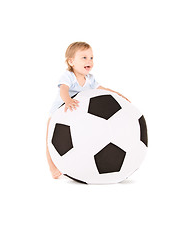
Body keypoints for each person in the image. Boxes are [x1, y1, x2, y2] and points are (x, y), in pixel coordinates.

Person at [46, 41, 131, 179]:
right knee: (49, 142)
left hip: (77, 116)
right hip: (59, 114)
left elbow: (103, 89)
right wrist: (67, 100)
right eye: (84, 57)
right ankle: (53, 167)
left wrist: (118, 95)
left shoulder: (90, 79)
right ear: (71, 62)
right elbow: (63, 90)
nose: (89, 61)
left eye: (91, 58)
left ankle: (80, 165)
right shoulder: (68, 76)